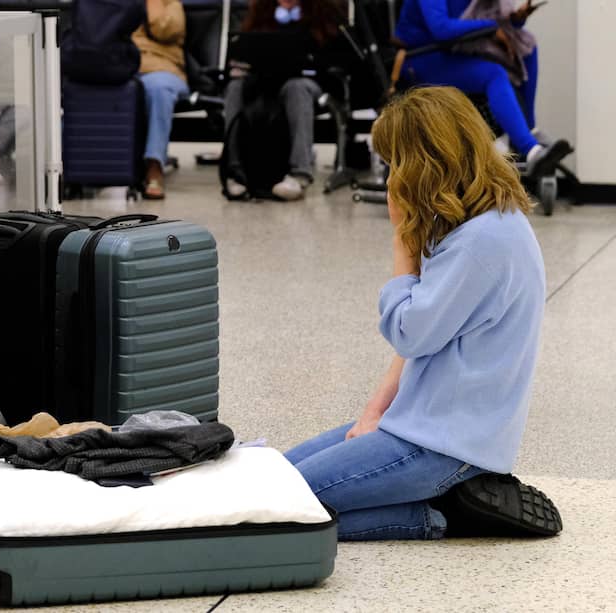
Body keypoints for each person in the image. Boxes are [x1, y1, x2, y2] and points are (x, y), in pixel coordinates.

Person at [285, 86, 562, 541]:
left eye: (395, 162)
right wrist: (373, 413)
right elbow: (424, 344)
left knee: (283, 505)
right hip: (419, 424)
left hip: (444, 447)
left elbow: (410, 334)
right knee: (277, 476)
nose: (390, 176)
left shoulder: (481, 243)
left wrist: (402, 245)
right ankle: (437, 499)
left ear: (424, 162)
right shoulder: (476, 223)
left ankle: (445, 512)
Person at [394, 0, 571, 180]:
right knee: (493, 74)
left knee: (527, 48)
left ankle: (529, 131)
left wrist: (515, 19)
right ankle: (530, 150)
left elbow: (481, 16)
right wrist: (492, 27)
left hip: (452, 51)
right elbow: (441, 29)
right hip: (421, 58)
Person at [223, 0, 346, 201]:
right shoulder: (260, 9)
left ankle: (300, 174)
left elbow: (336, 56)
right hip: (264, 81)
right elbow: (244, 48)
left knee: (296, 87)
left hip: (310, 82)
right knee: (235, 87)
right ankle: (234, 171)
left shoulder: (323, 9)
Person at [132, 0, 188, 200]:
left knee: (158, 89)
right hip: (122, 64)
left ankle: (154, 166)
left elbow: (164, 30)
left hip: (162, 68)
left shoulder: (170, 3)